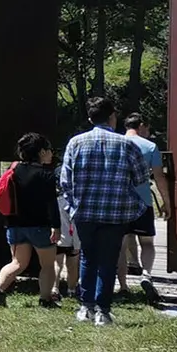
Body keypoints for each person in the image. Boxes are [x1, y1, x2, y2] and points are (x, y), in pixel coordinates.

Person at [59, 96, 151, 327]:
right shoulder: (127, 144)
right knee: (108, 261)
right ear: (113, 117)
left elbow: (65, 180)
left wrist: (72, 206)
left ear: (90, 118)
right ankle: (103, 311)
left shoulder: (75, 143)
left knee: (88, 257)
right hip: (115, 212)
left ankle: (85, 307)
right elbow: (141, 177)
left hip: (84, 212)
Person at [0, 133, 62, 307]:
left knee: (18, 263)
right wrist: (56, 226)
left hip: (14, 224)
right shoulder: (45, 174)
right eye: (50, 150)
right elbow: (52, 204)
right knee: (48, 265)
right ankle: (45, 299)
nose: (52, 153)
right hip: (39, 226)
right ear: (42, 152)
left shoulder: (14, 169)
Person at [117, 113, 170, 292]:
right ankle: (147, 274)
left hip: (120, 202)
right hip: (143, 201)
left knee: (121, 245)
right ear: (141, 125)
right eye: (147, 128)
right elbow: (159, 177)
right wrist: (166, 201)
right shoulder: (150, 146)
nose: (148, 132)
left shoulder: (116, 143)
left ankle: (123, 285)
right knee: (147, 243)